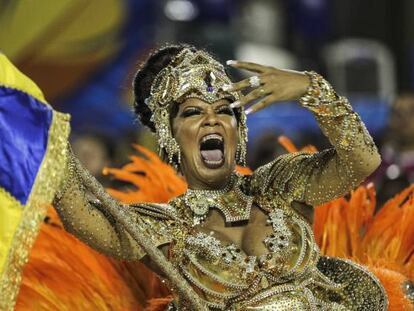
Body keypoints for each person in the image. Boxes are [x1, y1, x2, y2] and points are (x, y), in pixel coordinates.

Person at [52, 44, 387, 310]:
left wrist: (311, 88)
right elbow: (83, 217)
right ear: (171, 134)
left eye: (225, 110)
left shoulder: (279, 187)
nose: (212, 121)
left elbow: (362, 160)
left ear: (238, 129)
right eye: (194, 112)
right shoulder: (167, 227)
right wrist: (50, 147)